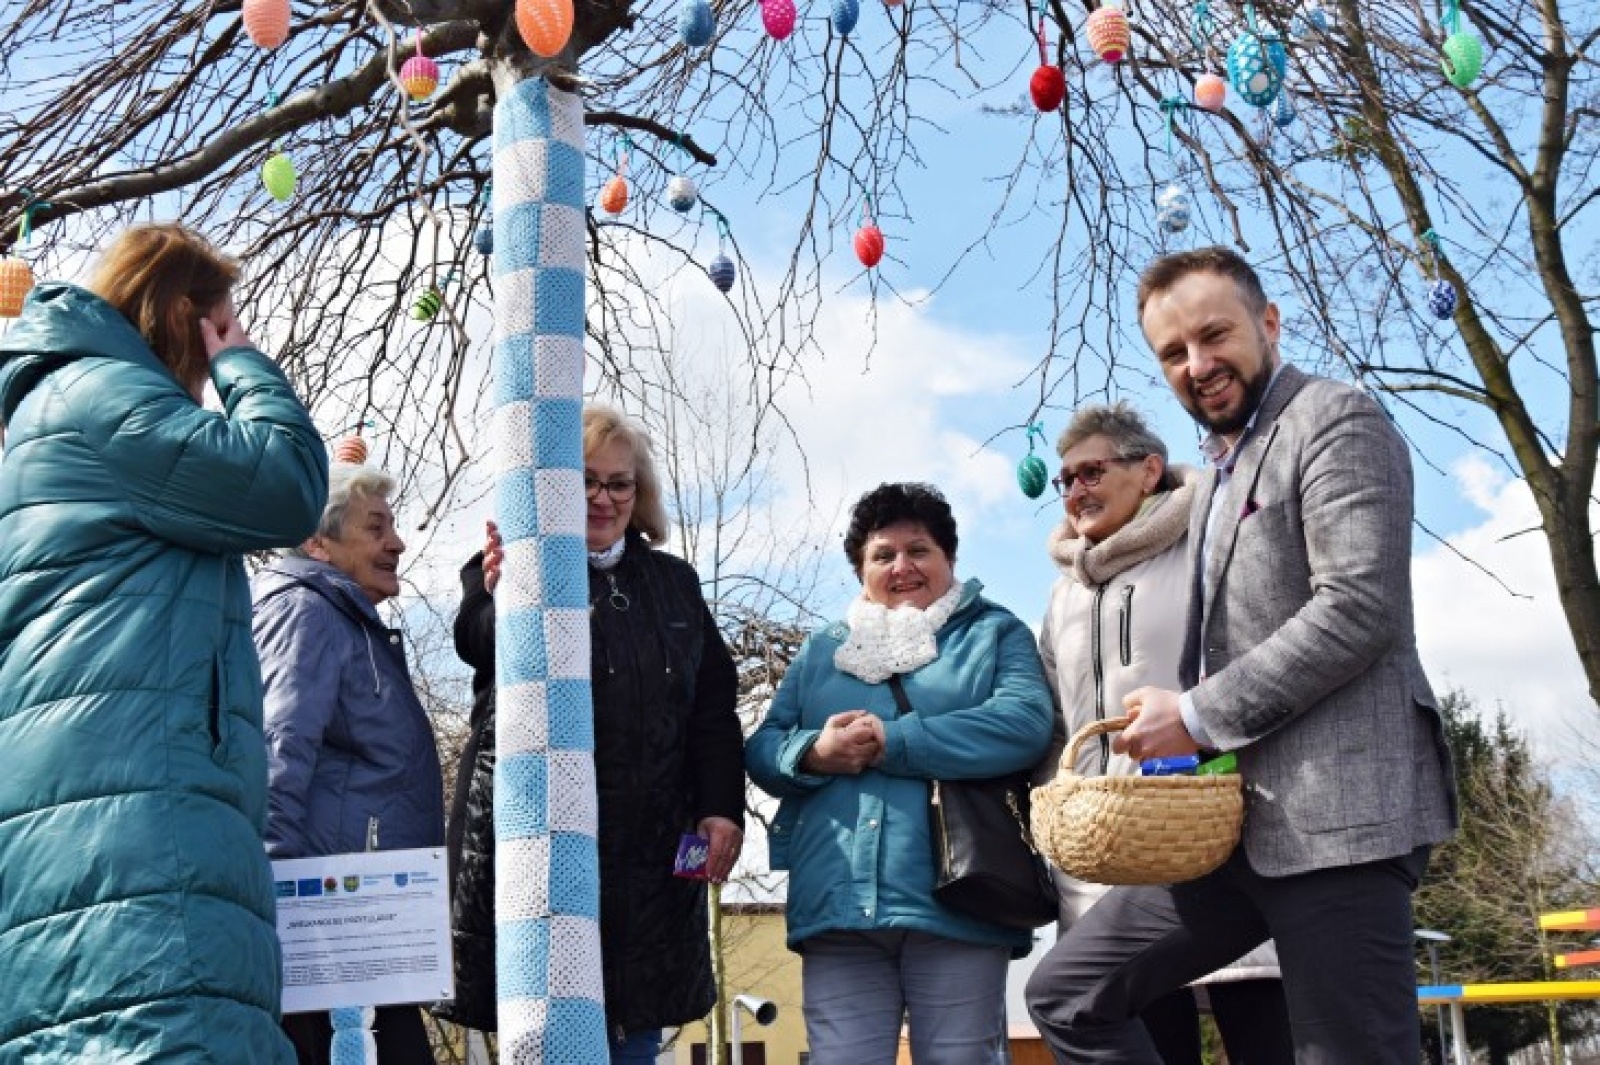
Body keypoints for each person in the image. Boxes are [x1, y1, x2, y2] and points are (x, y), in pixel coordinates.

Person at [1025, 247, 1458, 1063]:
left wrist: (1194, 715)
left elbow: (1357, 608)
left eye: (1214, 334)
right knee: (1068, 995)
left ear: (1268, 322)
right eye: (1173, 352)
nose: (1197, 364)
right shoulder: (1224, 472)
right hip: (1235, 831)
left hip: (1340, 818)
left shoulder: (1336, 419)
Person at [0, 223, 327, 1061]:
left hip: (97, 822)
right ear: (185, 314)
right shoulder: (109, 400)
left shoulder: (58, 411)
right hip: (144, 833)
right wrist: (244, 364)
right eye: (219, 321)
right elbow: (287, 484)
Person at [438, 404, 746, 1063]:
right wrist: (509, 590)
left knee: (635, 1027)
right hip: (540, 851)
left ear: (640, 494)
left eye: (618, 483)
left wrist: (721, 806)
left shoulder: (675, 584)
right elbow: (477, 641)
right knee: (545, 1034)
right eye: (583, 480)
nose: (602, 498)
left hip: (651, 857)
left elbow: (712, 708)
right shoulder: (502, 564)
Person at [747, 482, 1055, 1065]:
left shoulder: (994, 632)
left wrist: (896, 741)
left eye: (919, 550)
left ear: (949, 558)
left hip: (962, 902)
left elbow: (1023, 724)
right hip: (838, 905)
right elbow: (764, 748)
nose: (901, 567)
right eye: (882, 555)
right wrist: (814, 752)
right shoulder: (821, 651)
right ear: (861, 572)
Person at [1034, 401, 1291, 1062]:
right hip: (1108, 868)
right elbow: (1058, 722)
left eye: (1092, 471)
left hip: (1215, 837)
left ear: (1149, 470)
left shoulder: (1208, 543)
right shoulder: (1062, 594)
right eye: (1066, 480)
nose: (1075, 491)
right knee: (1137, 1033)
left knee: (1265, 1036)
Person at [252, 459, 445, 1065]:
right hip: (325, 938)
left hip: (366, 932)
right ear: (318, 543)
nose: (397, 543)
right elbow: (276, 752)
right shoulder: (304, 613)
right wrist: (273, 909)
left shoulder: (343, 619)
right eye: (375, 528)